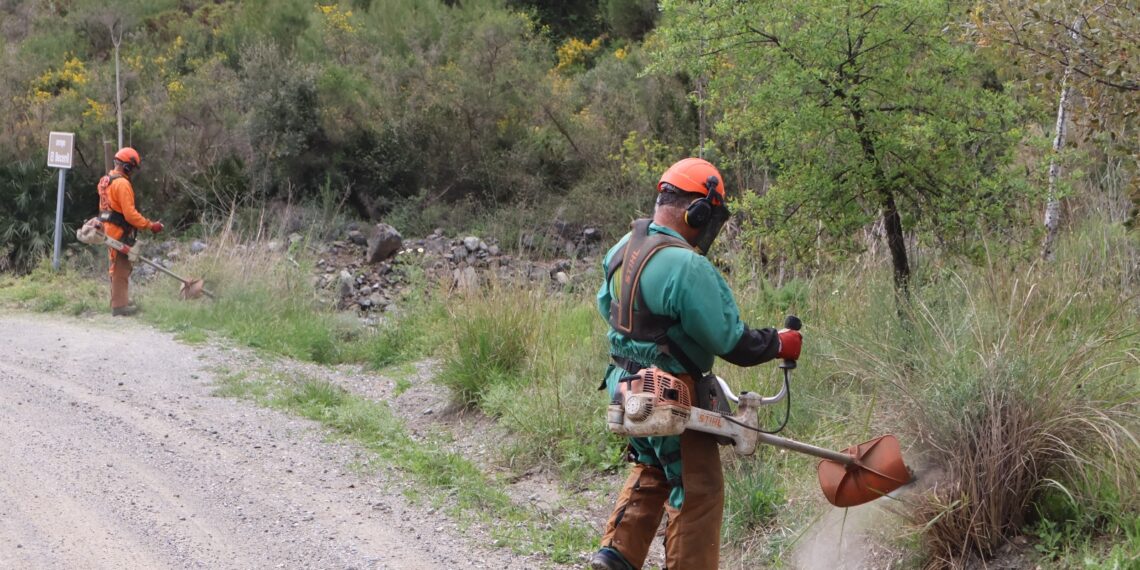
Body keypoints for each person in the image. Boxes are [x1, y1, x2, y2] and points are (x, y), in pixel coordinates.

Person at [589, 157, 803, 570]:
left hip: (625, 386)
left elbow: (608, 312)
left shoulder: (619, 251)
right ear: (697, 211)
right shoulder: (687, 266)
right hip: (672, 394)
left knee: (652, 468)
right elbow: (733, 342)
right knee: (698, 490)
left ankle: (614, 557)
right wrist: (781, 342)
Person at [98, 147, 163, 316]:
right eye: (132, 168)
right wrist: (150, 225)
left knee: (115, 266)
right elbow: (131, 215)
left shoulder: (106, 180)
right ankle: (119, 306)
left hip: (108, 229)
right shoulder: (122, 184)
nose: (132, 171)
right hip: (119, 231)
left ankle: (119, 299)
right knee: (122, 266)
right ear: (127, 166)